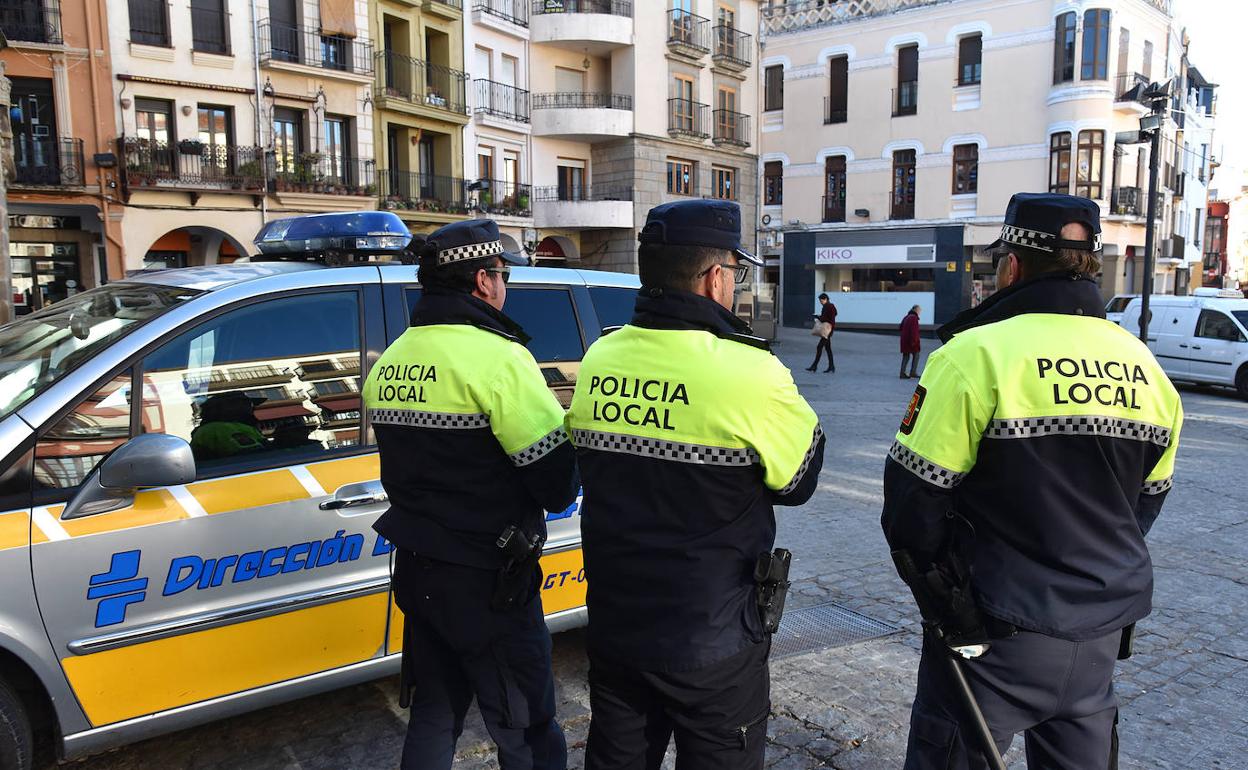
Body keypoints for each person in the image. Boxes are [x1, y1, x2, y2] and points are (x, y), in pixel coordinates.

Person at [880, 193, 1184, 769]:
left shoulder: (974, 355)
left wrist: (951, 604)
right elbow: (1146, 506)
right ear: (1091, 266)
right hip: (1097, 638)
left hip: (994, 633)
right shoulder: (1145, 365)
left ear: (1012, 266)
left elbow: (911, 505)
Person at [566, 200, 826, 770]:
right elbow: (800, 480)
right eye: (735, 272)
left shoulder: (600, 358)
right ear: (715, 279)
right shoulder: (751, 371)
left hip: (617, 627)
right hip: (713, 642)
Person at [362, 219, 578, 770]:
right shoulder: (499, 359)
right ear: (483, 282)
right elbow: (557, 486)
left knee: (434, 717)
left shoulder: (391, 362)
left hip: (419, 571)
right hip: (490, 585)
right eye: (503, 274)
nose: (505, 286)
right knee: (526, 728)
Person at [807, 293, 837, 373]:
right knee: (828, 349)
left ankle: (814, 366)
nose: (821, 302)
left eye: (821, 300)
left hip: (828, 330)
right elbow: (833, 315)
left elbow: (826, 318)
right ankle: (831, 366)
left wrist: (817, 317)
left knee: (819, 347)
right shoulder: (829, 306)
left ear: (825, 299)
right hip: (828, 330)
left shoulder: (828, 306)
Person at [899, 305, 921, 379]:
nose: (920, 312)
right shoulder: (914, 318)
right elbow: (914, 331)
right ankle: (913, 372)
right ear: (916, 310)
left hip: (904, 341)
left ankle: (902, 373)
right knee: (916, 355)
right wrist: (914, 341)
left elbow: (900, 327)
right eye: (919, 310)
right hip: (911, 341)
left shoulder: (906, 317)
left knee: (906, 356)